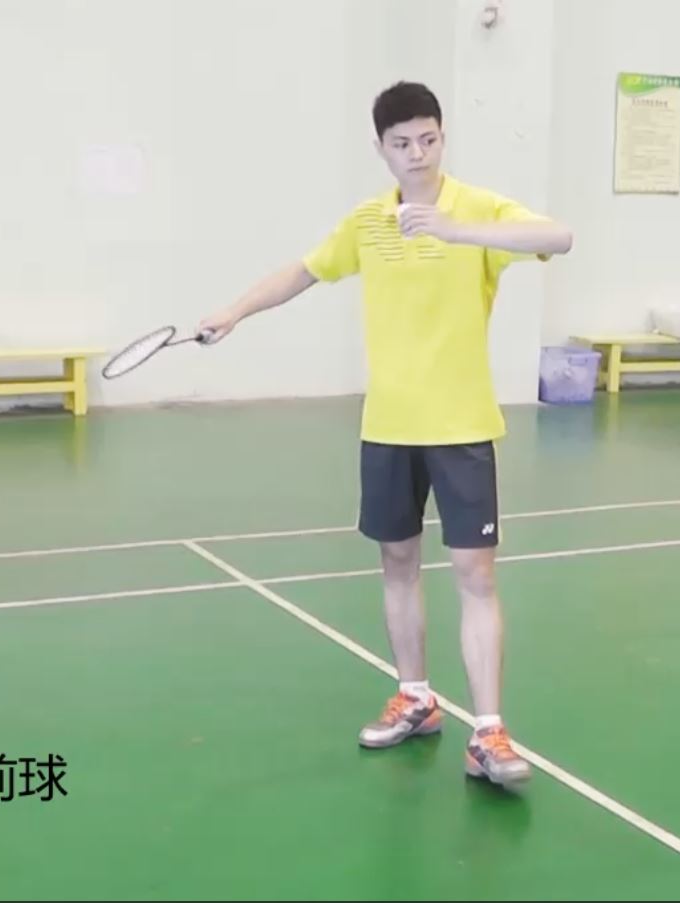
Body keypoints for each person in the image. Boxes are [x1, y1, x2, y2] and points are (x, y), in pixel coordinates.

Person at [196, 81, 572, 789]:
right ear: (381, 148)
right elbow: (303, 272)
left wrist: (458, 231)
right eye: (402, 143)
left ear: (442, 137)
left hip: (461, 425)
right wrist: (235, 311)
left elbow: (559, 236)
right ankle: (416, 697)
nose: (417, 153)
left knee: (476, 575)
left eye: (428, 139)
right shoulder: (368, 222)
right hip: (389, 426)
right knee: (397, 564)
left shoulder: (477, 209)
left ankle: (489, 732)